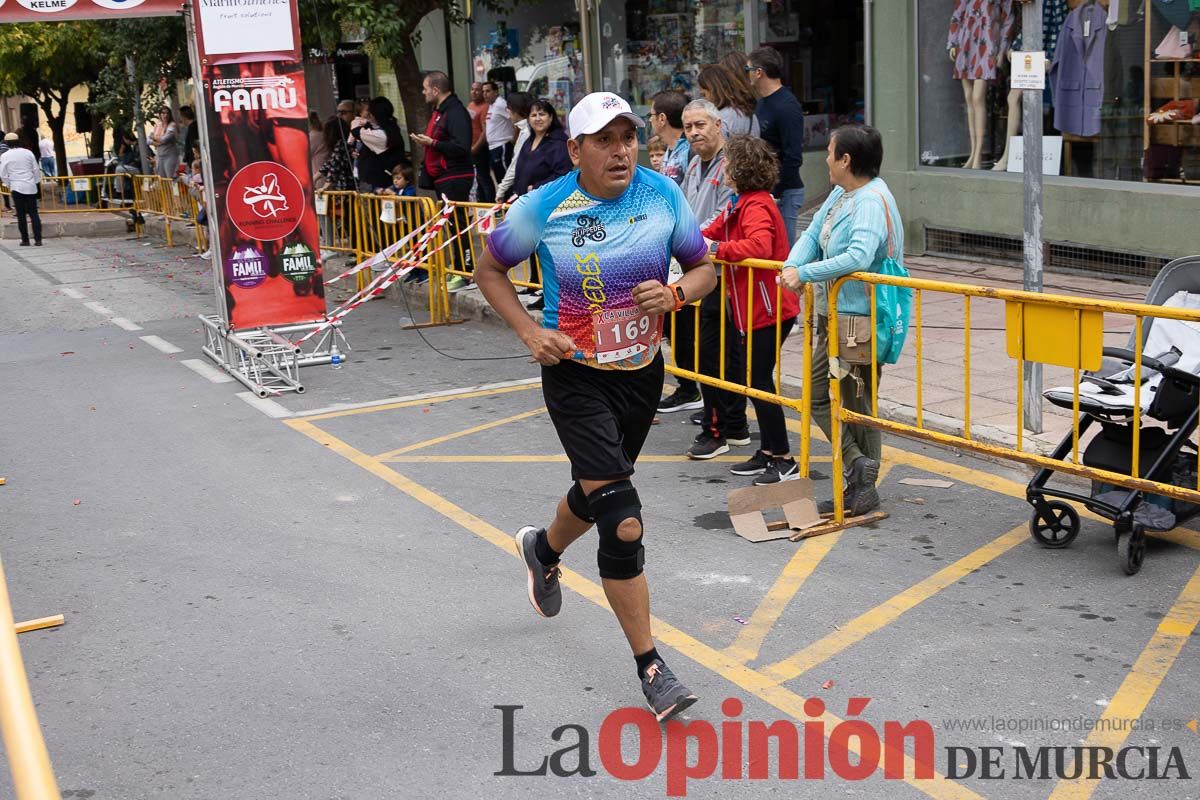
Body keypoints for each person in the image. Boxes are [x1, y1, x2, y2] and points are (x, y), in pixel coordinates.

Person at [474, 91, 717, 722]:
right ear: (576, 148)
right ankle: (652, 667)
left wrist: (677, 293)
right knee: (624, 517)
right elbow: (489, 266)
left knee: (599, 489)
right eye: (604, 140)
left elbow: (703, 268)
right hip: (576, 377)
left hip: (640, 375)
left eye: (628, 137)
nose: (620, 151)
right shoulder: (545, 205)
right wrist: (530, 331)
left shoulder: (663, 194)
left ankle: (544, 552)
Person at [782, 125, 900, 515]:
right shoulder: (841, 193)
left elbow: (859, 257)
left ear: (846, 160)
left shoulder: (869, 200)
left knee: (857, 401)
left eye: (831, 152)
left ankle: (864, 485)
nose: (827, 160)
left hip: (859, 319)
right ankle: (856, 462)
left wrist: (806, 273)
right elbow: (812, 233)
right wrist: (793, 263)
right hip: (831, 313)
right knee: (817, 395)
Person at [702, 135, 801, 483]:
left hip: (768, 307)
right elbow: (709, 231)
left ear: (740, 167)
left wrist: (716, 247)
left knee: (759, 381)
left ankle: (784, 458)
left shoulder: (756, 205)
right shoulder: (739, 202)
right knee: (752, 380)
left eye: (727, 161)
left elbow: (758, 246)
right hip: (755, 307)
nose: (723, 167)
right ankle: (769, 451)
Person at [675, 99, 749, 459]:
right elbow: (685, 212)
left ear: (718, 124)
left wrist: (689, 242)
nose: (694, 133)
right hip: (696, 269)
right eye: (688, 127)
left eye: (700, 125)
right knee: (713, 353)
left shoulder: (731, 164)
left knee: (717, 354)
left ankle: (719, 428)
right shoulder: (693, 165)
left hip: (722, 272)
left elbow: (724, 214)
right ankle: (730, 425)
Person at [411, 70, 475, 292]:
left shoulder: (455, 112)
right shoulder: (439, 112)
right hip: (442, 177)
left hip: (455, 176)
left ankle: (465, 271)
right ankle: (457, 268)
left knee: (458, 224)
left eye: (425, 88)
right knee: (450, 225)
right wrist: (428, 143)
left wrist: (434, 143)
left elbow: (461, 146)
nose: (423, 92)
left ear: (436, 89)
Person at [508, 98, 571, 311]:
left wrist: (537, 188)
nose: (537, 118)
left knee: (550, 252)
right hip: (530, 206)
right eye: (533, 114)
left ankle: (550, 295)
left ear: (551, 117)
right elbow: (519, 169)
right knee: (534, 247)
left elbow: (562, 174)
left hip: (550, 206)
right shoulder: (529, 140)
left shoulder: (558, 142)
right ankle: (536, 284)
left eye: (542, 114)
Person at [745, 47, 806, 245]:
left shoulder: (787, 105)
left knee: (782, 253)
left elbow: (793, 155)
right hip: (768, 190)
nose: (747, 75)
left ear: (759, 72)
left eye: (748, 70)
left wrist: (776, 192)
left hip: (784, 193)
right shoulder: (763, 103)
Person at [351, 97, 407, 193]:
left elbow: (355, 131)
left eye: (370, 113)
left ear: (375, 115)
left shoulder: (381, 135)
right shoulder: (391, 128)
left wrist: (358, 120)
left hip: (380, 184)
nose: (368, 116)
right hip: (384, 180)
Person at [0, 132, 43, 245]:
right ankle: (38, 240)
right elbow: (36, 169)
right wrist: (35, 182)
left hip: (16, 187)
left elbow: (3, 174)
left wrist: (10, 184)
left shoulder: (5, 156)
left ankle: (25, 240)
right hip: (30, 186)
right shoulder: (28, 153)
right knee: (34, 213)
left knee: (21, 215)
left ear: (7, 143)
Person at [697, 64, 760, 137]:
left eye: (704, 95)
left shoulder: (721, 118)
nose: (705, 100)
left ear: (714, 90)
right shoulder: (748, 112)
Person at [496, 91, 533, 202]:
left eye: (509, 108)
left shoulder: (527, 132)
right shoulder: (525, 130)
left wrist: (501, 190)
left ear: (516, 110)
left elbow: (515, 164)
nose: (507, 111)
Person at [648, 90, 690, 185]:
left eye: (651, 115)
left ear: (662, 118)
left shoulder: (689, 151)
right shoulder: (669, 148)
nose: (650, 120)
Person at [482, 81, 515, 188]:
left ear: (496, 92)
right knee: (499, 180)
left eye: (488, 91)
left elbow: (515, 119)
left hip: (502, 145)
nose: (485, 94)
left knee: (506, 179)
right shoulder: (492, 106)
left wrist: (514, 138)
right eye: (483, 92)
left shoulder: (501, 104)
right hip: (493, 147)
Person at [467, 81, 494, 203]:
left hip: (480, 148)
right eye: (472, 89)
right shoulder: (470, 106)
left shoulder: (485, 107)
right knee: (477, 179)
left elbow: (485, 131)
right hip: (471, 147)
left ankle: (490, 204)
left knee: (484, 178)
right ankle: (481, 204)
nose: (474, 92)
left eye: (477, 90)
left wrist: (475, 148)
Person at [150, 107, 180, 178]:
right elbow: (148, 141)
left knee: (170, 179)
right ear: (160, 115)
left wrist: (153, 137)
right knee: (162, 180)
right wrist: (157, 142)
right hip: (160, 156)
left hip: (169, 156)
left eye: (167, 113)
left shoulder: (172, 125)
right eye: (163, 113)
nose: (165, 115)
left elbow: (164, 139)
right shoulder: (157, 125)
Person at [309, 110, 331, 190]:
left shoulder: (313, 137)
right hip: (324, 176)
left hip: (319, 178)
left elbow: (302, 156)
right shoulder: (321, 134)